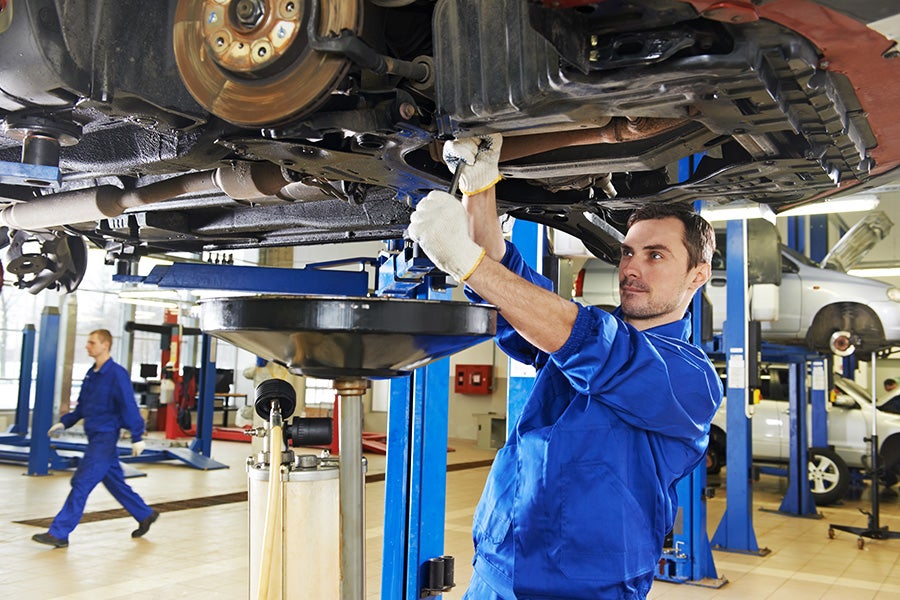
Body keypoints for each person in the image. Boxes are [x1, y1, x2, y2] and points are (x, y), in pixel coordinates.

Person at [408, 134, 723, 599]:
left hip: (587, 589)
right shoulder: (575, 327)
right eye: (628, 253)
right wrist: (480, 187)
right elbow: (513, 292)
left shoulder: (691, 379)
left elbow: (591, 345)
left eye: (655, 255)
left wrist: (464, 261)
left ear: (698, 274)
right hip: (499, 568)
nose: (632, 268)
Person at [32, 329, 159, 548]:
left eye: (92, 342)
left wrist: (137, 436)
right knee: (114, 481)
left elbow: (129, 405)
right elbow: (83, 406)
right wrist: (66, 421)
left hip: (105, 438)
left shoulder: (116, 374)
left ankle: (59, 533)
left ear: (105, 345)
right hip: (95, 437)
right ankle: (144, 514)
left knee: (81, 482)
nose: (87, 346)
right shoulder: (92, 374)